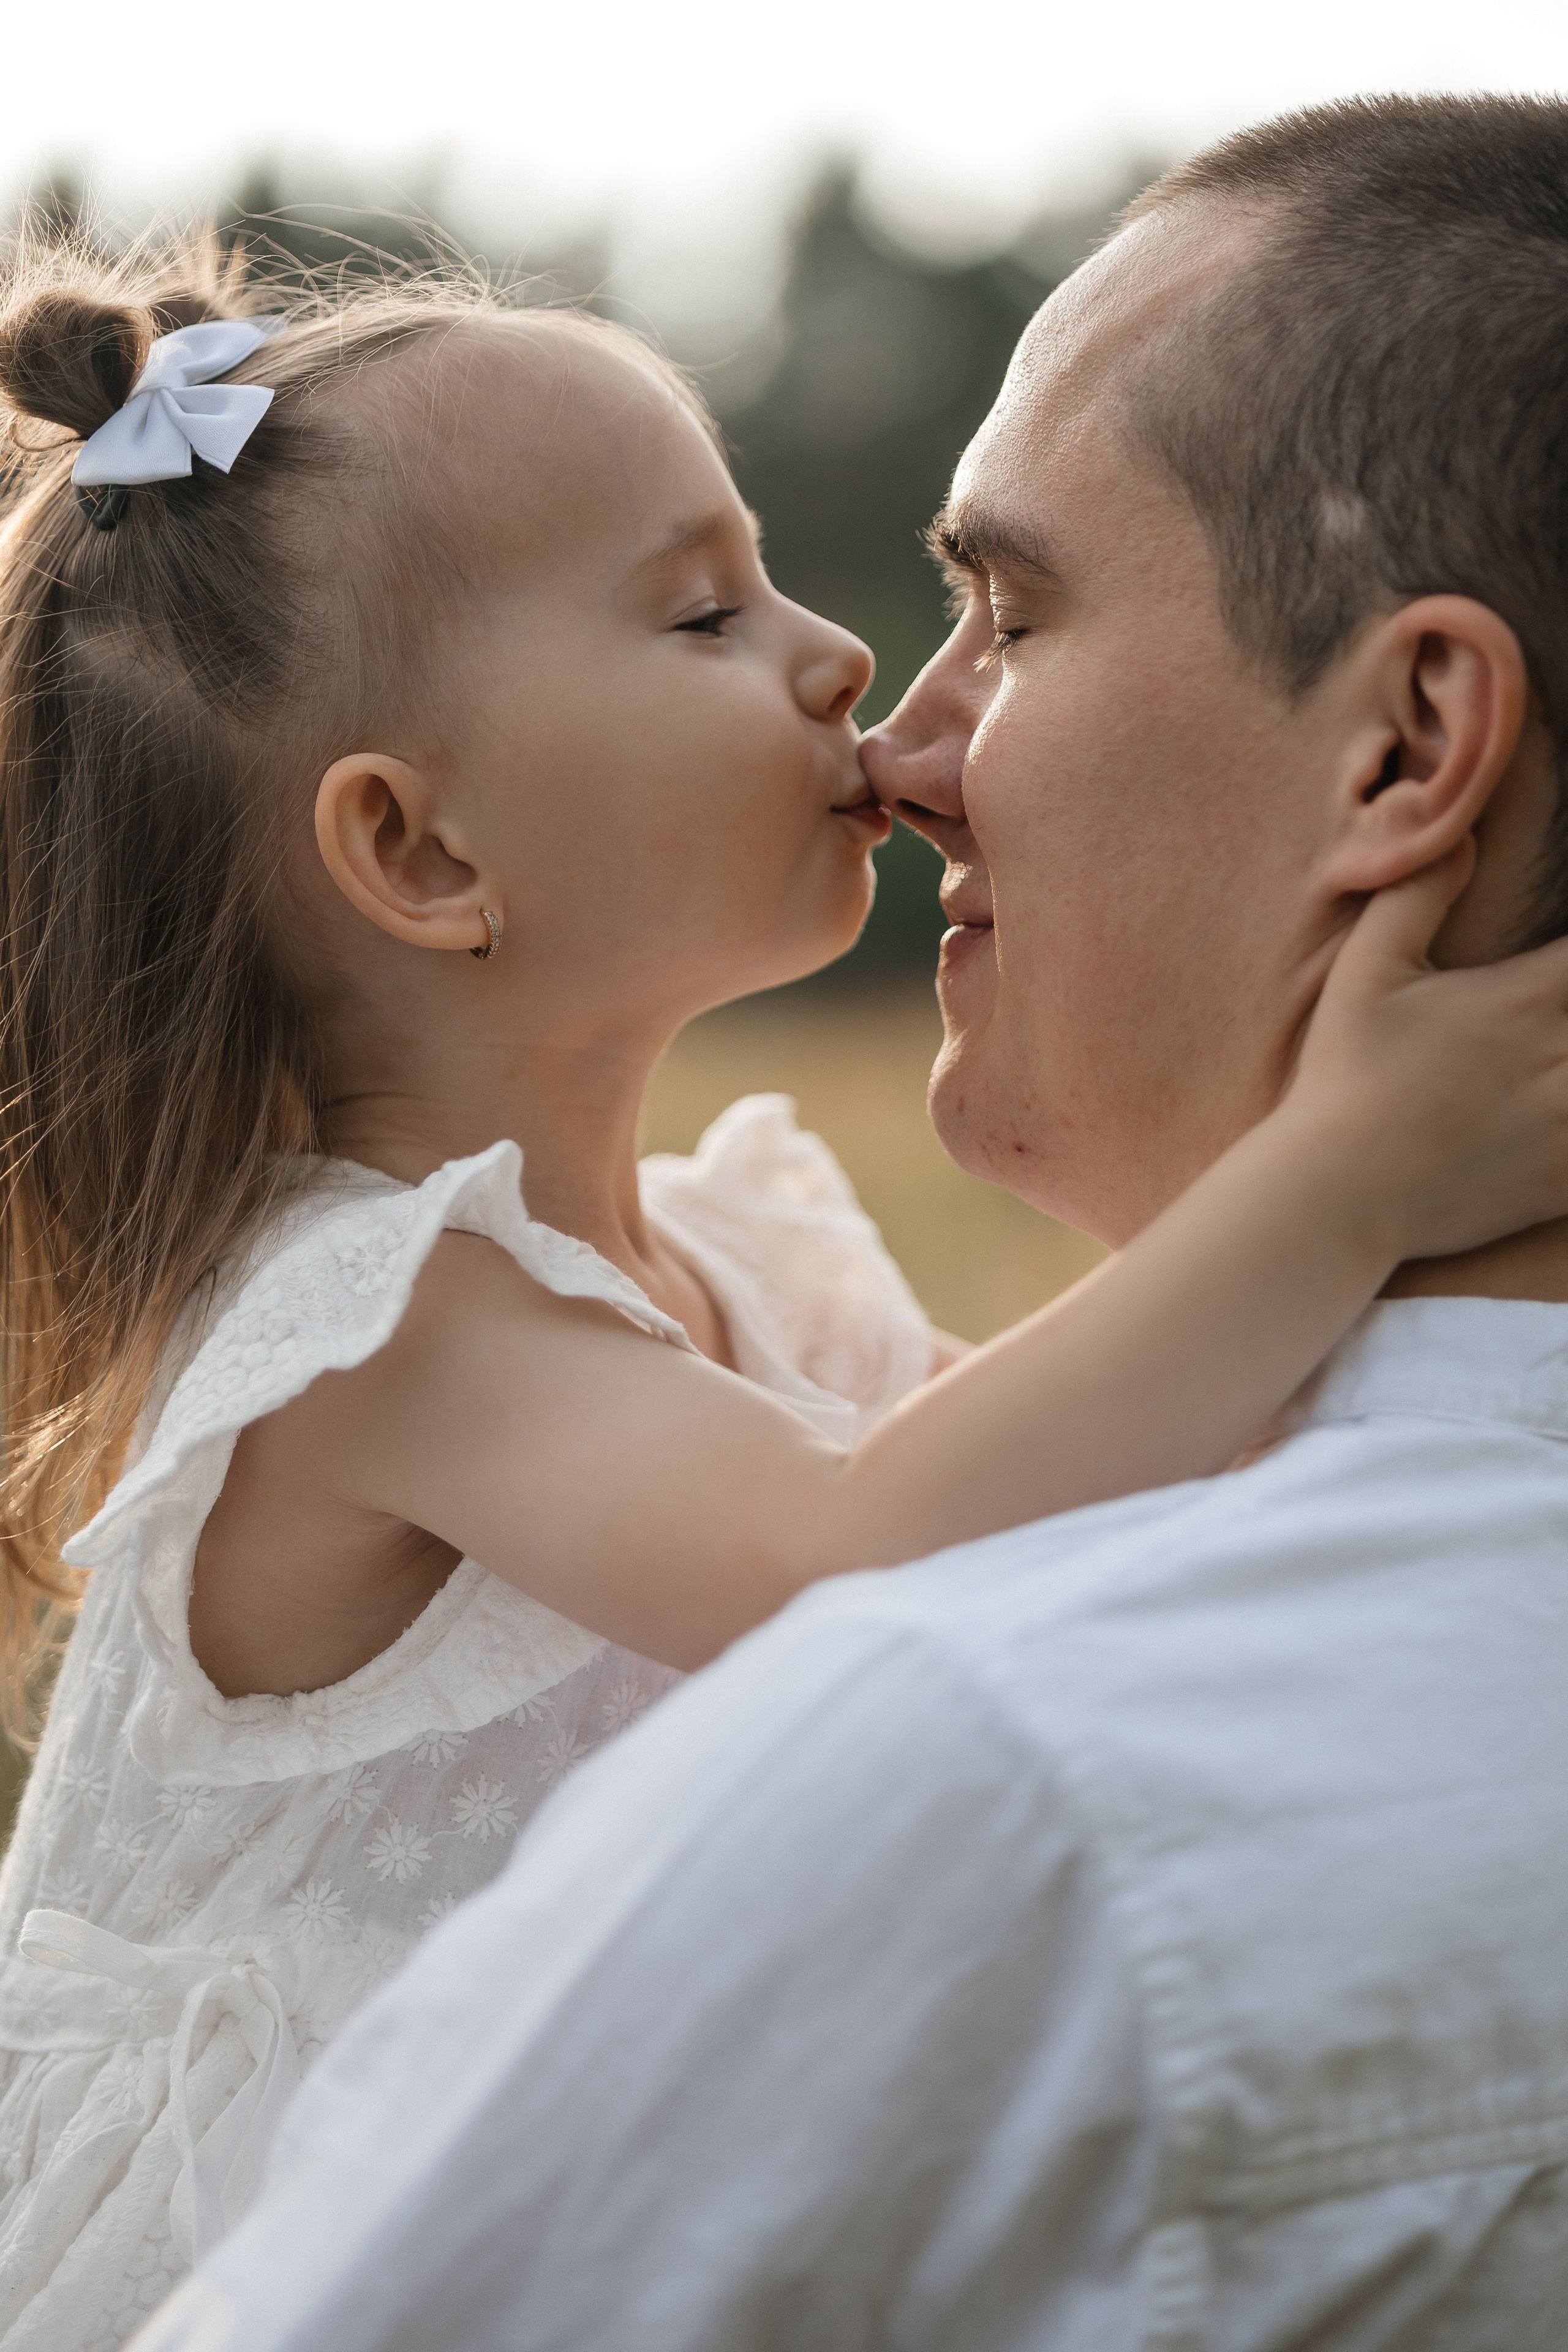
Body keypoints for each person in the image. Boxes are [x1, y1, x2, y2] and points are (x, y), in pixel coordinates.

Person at [2, 217, 1559, 2351]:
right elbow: (887, 1562)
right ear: (426, 854)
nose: (847, 664)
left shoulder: (738, 1257)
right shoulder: (375, 1332)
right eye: (704, 610)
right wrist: (1349, 1175)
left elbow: (1084, 1515)